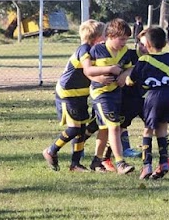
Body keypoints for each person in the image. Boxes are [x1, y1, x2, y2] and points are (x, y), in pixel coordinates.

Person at [42, 19, 109, 172]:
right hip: (67, 94)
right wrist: (100, 78)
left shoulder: (94, 50)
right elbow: (87, 69)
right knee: (74, 128)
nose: (105, 37)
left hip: (80, 94)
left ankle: (75, 164)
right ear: (96, 37)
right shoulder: (84, 49)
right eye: (104, 35)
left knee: (82, 128)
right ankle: (51, 150)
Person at [126, 26, 169, 180]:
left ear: (147, 44)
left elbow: (130, 81)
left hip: (153, 96)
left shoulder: (143, 60)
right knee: (162, 128)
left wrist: (129, 80)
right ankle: (163, 163)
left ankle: (146, 165)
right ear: (166, 42)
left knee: (148, 130)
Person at [87, 18, 135, 175]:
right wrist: (104, 73)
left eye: (126, 39)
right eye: (121, 39)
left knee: (104, 130)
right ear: (110, 36)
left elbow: (130, 68)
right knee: (114, 126)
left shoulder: (125, 51)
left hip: (116, 93)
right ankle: (120, 163)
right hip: (101, 94)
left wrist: (125, 75)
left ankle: (96, 161)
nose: (124, 42)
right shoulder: (97, 50)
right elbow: (88, 71)